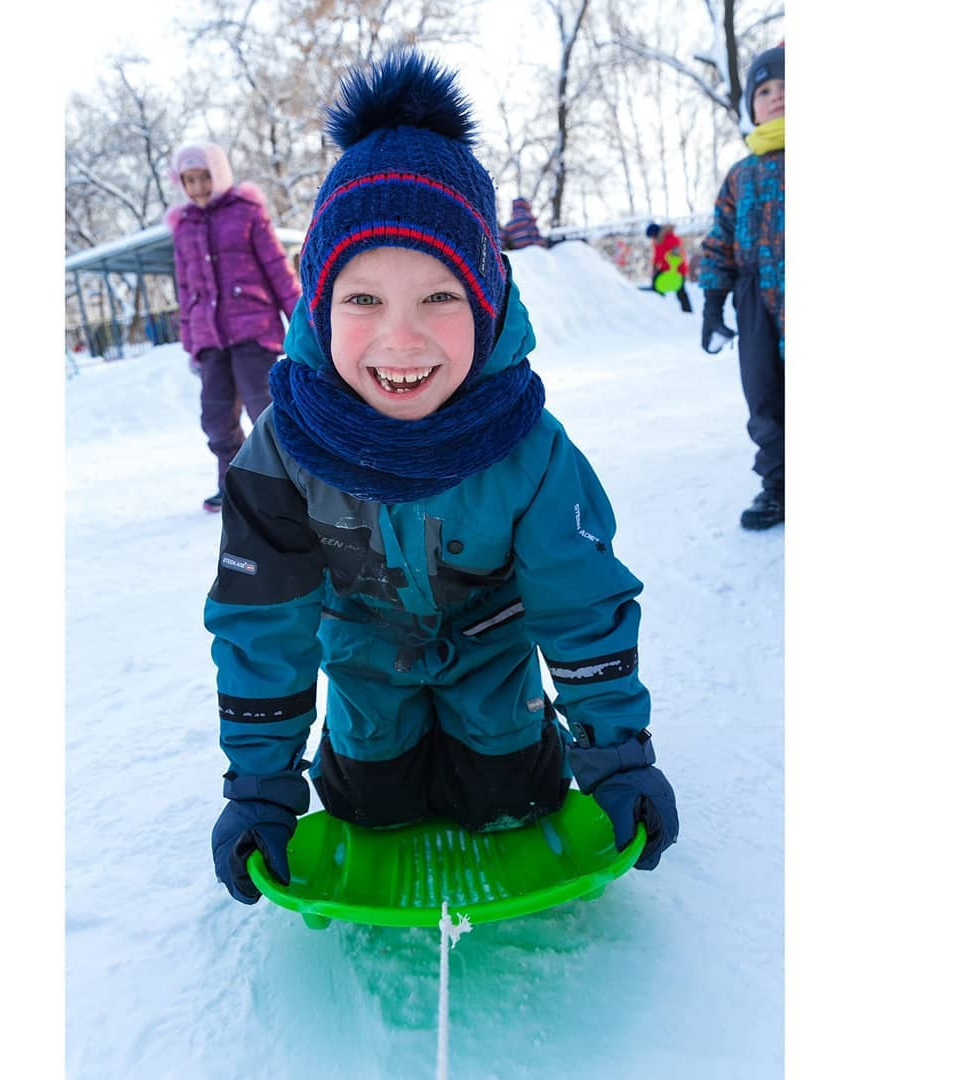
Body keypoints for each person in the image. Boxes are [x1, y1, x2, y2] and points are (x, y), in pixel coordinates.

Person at [204, 51, 679, 907]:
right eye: (363, 300)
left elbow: (581, 603)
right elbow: (263, 624)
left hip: (488, 659)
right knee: (371, 806)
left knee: (510, 799)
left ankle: (501, 743)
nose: (401, 339)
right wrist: (261, 789)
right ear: (318, 305)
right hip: (367, 662)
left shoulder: (528, 445)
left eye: (439, 297)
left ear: (487, 302)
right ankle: (379, 752)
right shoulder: (283, 450)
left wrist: (616, 756)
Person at [166, 143, 302, 513]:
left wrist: (302, 320)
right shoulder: (184, 227)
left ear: (219, 174)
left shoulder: (246, 212)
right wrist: (190, 342)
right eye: (189, 180)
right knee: (215, 418)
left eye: (204, 177)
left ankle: (288, 481)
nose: (198, 187)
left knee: (264, 410)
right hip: (209, 339)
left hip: (253, 331)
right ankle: (233, 483)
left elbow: (277, 269)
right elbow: (185, 287)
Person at [698, 45, 785, 530]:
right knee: (764, 397)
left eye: (786, 86)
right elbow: (719, 242)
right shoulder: (741, 175)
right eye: (765, 90)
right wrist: (713, 304)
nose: (777, 96)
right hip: (755, 301)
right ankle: (779, 486)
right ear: (752, 105)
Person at [645, 223, 692, 312]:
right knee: (656, 283)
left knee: (680, 291)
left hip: (678, 269)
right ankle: (659, 307)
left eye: (652, 236)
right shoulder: (657, 241)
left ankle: (687, 311)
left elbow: (677, 254)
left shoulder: (671, 238)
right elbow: (657, 256)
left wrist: (674, 266)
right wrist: (654, 266)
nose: (652, 238)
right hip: (665, 268)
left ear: (655, 233)